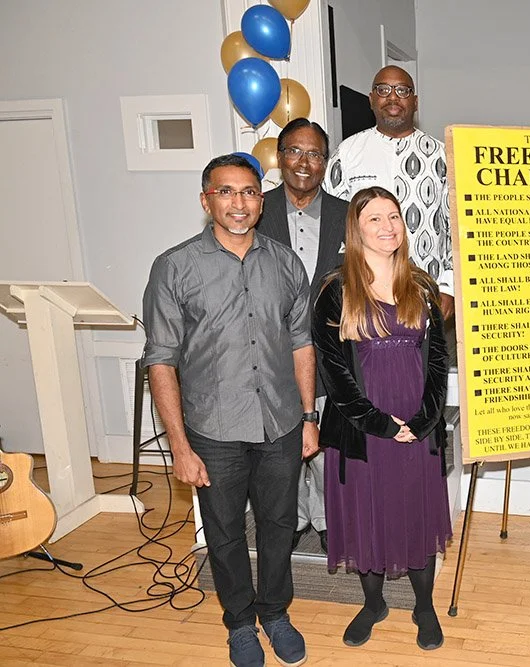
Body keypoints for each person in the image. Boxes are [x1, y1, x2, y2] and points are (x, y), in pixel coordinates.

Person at [142, 154, 314, 667]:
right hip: (213, 429)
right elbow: (161, 359)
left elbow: (302, 342)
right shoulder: (174, 267)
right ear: (206, 200)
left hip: (281, 422)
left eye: (249, 192)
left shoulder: (285, 263)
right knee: (223, 531)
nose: (239, 203)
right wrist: (179, 444)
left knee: (280, 523)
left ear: (261, 202)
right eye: (226, 192)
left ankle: (276, 612)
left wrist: (308, 417)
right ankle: (240, 622)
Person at [312, 186, 451, 650]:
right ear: (356, 228)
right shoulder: (335, 292)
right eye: (375, 218)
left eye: (393, 216)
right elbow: (333, 372)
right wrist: (382, 424)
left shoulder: (423, 286)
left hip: (418, 425)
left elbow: (436, 361)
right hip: (361, 429)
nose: (388, 226)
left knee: (417, 513)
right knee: (365, 515)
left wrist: (425, 418)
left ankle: (425, 606)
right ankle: (373, 605)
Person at [257, 118, 347, 554]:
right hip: (270, 353)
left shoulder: (347, 214)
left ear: (325, 162)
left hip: (333, 355)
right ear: (279, 157)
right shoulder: (255, 209)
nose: (304, 163)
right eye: (295, 151)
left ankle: (328, 519)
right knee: (283, 443)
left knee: (326, 441)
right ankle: (291, 518)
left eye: (315, 154)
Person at [323, 65, 454, 320]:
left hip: (428, 291)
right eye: (383, 89)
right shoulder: (348, 153)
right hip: (364, 294)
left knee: (428, 360)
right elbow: (334, 225)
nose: (393, 97)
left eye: (402, 90)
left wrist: (448, 286)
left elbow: (456, 227)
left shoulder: (442, 155)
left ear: (415, 102)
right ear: (371, 99)